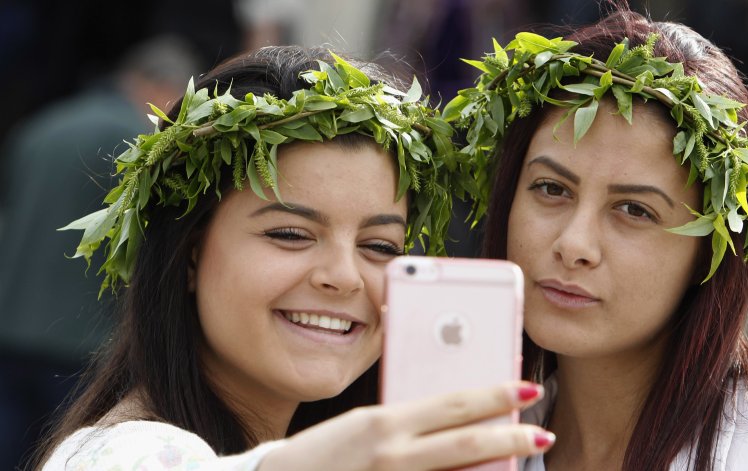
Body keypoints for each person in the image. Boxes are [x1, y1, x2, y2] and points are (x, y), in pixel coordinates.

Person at [32, 46, 555, 470]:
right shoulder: (125, 453)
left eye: (379, 247)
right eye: (290, 233)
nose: (344, 278)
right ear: (189, 252)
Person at [445, 3, 748, 470]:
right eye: (551, 188)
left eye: (633, 210)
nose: (574, 245)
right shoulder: (463, 449)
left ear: (710, 251)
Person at [0, 35, 199, 470]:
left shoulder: (42, 125)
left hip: (11, 326)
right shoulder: (131, 138)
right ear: (157, 85)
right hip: (76, 338)